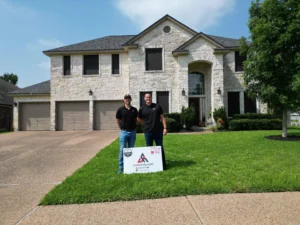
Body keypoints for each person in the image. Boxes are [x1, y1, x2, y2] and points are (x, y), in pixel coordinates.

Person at [137, 92, 167, 170]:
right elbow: (138, 118)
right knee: (149, 149)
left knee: (159, 148)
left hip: (158, 131)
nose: (148, 98)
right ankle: (151, 166)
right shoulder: (142, 108)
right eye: (147, 97)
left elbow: (162, 117)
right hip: (148, 132)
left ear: (151, 98)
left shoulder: (157, 106)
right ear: (144, 98)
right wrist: (144, 123)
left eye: (149, 97)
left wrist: (165, 128)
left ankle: (163, 166)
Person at [115, 94, 138, 174]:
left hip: (132, 132)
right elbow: (117, 119)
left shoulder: (134, 110)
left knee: (131, 150)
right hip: (123, 132)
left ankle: (131, 166)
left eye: (128, 98)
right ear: (124, 100)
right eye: (126, 98)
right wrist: (120, 128)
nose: (127, 100)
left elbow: (136, 119)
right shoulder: (120, 109)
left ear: (131, 100)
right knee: (122, 150)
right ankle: (121, 168)